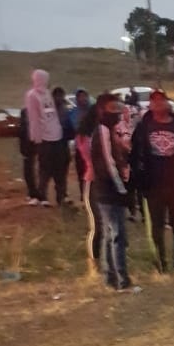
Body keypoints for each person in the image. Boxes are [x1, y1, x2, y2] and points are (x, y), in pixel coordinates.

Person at [132, 88, 174, 271]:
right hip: (153, 185)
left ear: (168, 103)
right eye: (154, 100)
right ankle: (160, 262)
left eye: (161, 100)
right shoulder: (144, 126)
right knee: (156, 227)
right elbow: (134, 154)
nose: (157, 103)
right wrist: (138, 180)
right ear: (149, 104)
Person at [91, 92, 135, 292]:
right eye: (112, 108)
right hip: (109, 189)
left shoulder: (111, 129)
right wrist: (121, 188)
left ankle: (110, 278)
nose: (116, 111)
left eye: (118, 107)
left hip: (110, 188)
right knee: (117, 235)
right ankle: (122, 281)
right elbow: (108, 163)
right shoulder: (102, 130)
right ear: (102, 110)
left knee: (111, 235)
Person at [23, 69, 65, 207]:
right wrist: (36, 138)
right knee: (44, 168)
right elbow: (33, 118)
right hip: (44, 138)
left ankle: (61, 196)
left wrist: (58, 129)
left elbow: (52, 114)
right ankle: (42, 197)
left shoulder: (47, 93)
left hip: (56, 136)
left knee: (59, 167)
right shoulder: (32, 95)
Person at [75, 102, 102, 266]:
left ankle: (105, 258)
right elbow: (90, 158)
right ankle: (94, 261)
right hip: (93, 180)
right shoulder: (85, 136)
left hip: (107, 181)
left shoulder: (107, 131)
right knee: (97, 225)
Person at [52, 86, 75, 205]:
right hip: (53, 145)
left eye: (61, 96)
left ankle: (63, 194)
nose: (60, 98)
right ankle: (59, 195)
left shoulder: (65, 110)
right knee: (57, 171)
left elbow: (70, 127)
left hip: (63, 143)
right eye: (58, 96)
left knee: (63, 170)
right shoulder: (50, 111)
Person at [68, 89, 91, 201]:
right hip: (80, 146)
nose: (83, 99)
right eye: (80, 96)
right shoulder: (73, 112)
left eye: (84, 96)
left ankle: (92, 194)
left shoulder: (93, 110)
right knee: (81, 171)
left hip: (93, 147)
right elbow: (73, 127)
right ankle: (83, 194)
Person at [19, 107, 40, 204]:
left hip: (38, 146)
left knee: (38, 171)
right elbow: (21, 133)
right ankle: (32, 193)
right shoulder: (24, 112)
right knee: (28, 172)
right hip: (27, 148)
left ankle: (37, 195)